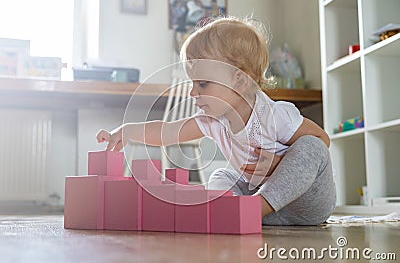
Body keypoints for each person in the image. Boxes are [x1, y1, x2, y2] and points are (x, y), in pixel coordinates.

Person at [96, 16, 336, 225]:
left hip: (306, 205)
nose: (192, 93)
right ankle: (233, 212)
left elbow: (322, 140)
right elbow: (167, 132)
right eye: (192, 84)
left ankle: (252, 209)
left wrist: (279, 165)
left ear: (240, 81)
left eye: (202, 84)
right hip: (263, 206)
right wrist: (127, 131)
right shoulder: (211, 120)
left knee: (311, 148)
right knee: (221, 176)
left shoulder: (274, 115)